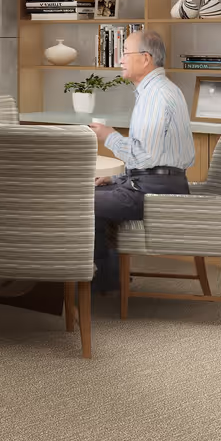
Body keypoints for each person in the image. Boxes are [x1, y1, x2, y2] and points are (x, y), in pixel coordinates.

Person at [88, 29, 193, 295]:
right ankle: (108, 282)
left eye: (125, 53)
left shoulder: (155, 95)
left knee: (77, 201)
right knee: (94, 194)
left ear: (145, 59)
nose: (120, 59)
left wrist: (108, 136)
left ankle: (93, 283)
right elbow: (154, 159)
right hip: (156, 183)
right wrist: (116, 178)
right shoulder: (159, 90)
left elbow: (145, 157)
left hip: (156, 191)